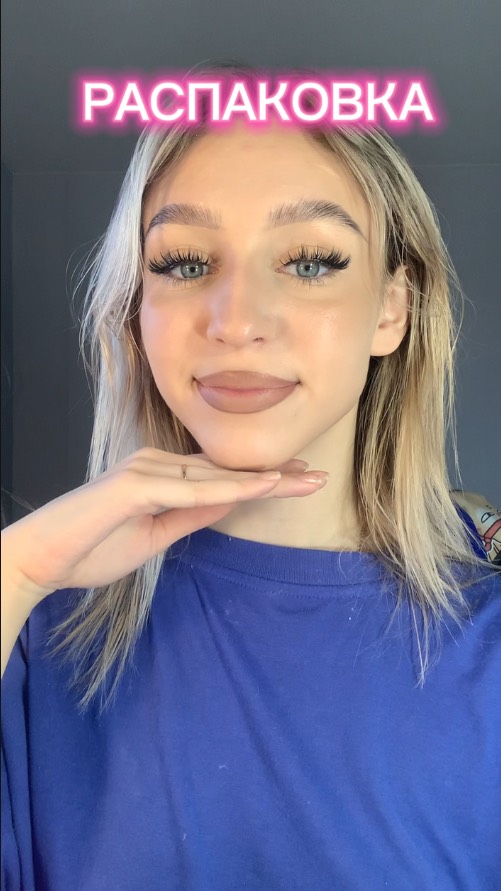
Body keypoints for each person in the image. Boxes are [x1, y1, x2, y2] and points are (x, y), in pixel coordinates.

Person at [2, 70, 500, 891]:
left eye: (309, 261)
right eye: (184, 262)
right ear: (135, 311)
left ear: (391, 309)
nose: (234, 320)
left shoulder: (486, 648)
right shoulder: (36, 632)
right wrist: (13, 573)